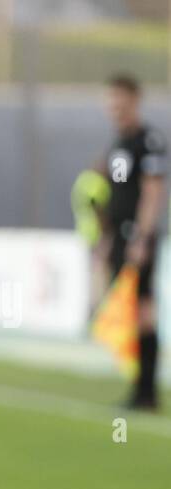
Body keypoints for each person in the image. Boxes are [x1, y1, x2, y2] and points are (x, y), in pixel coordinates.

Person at [99, 73, 167, 410]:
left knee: (143, 310)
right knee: (128, 311)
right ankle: (139, 388)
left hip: (138, 238)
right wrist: (106, 237)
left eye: (119, 99)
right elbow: (117, 193)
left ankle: (147, 393)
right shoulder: (119, 144)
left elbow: (153, 192)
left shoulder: (147, 140)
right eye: (110, 100)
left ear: (134, 99)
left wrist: (142, 237)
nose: (113, 106)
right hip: (120, 236)